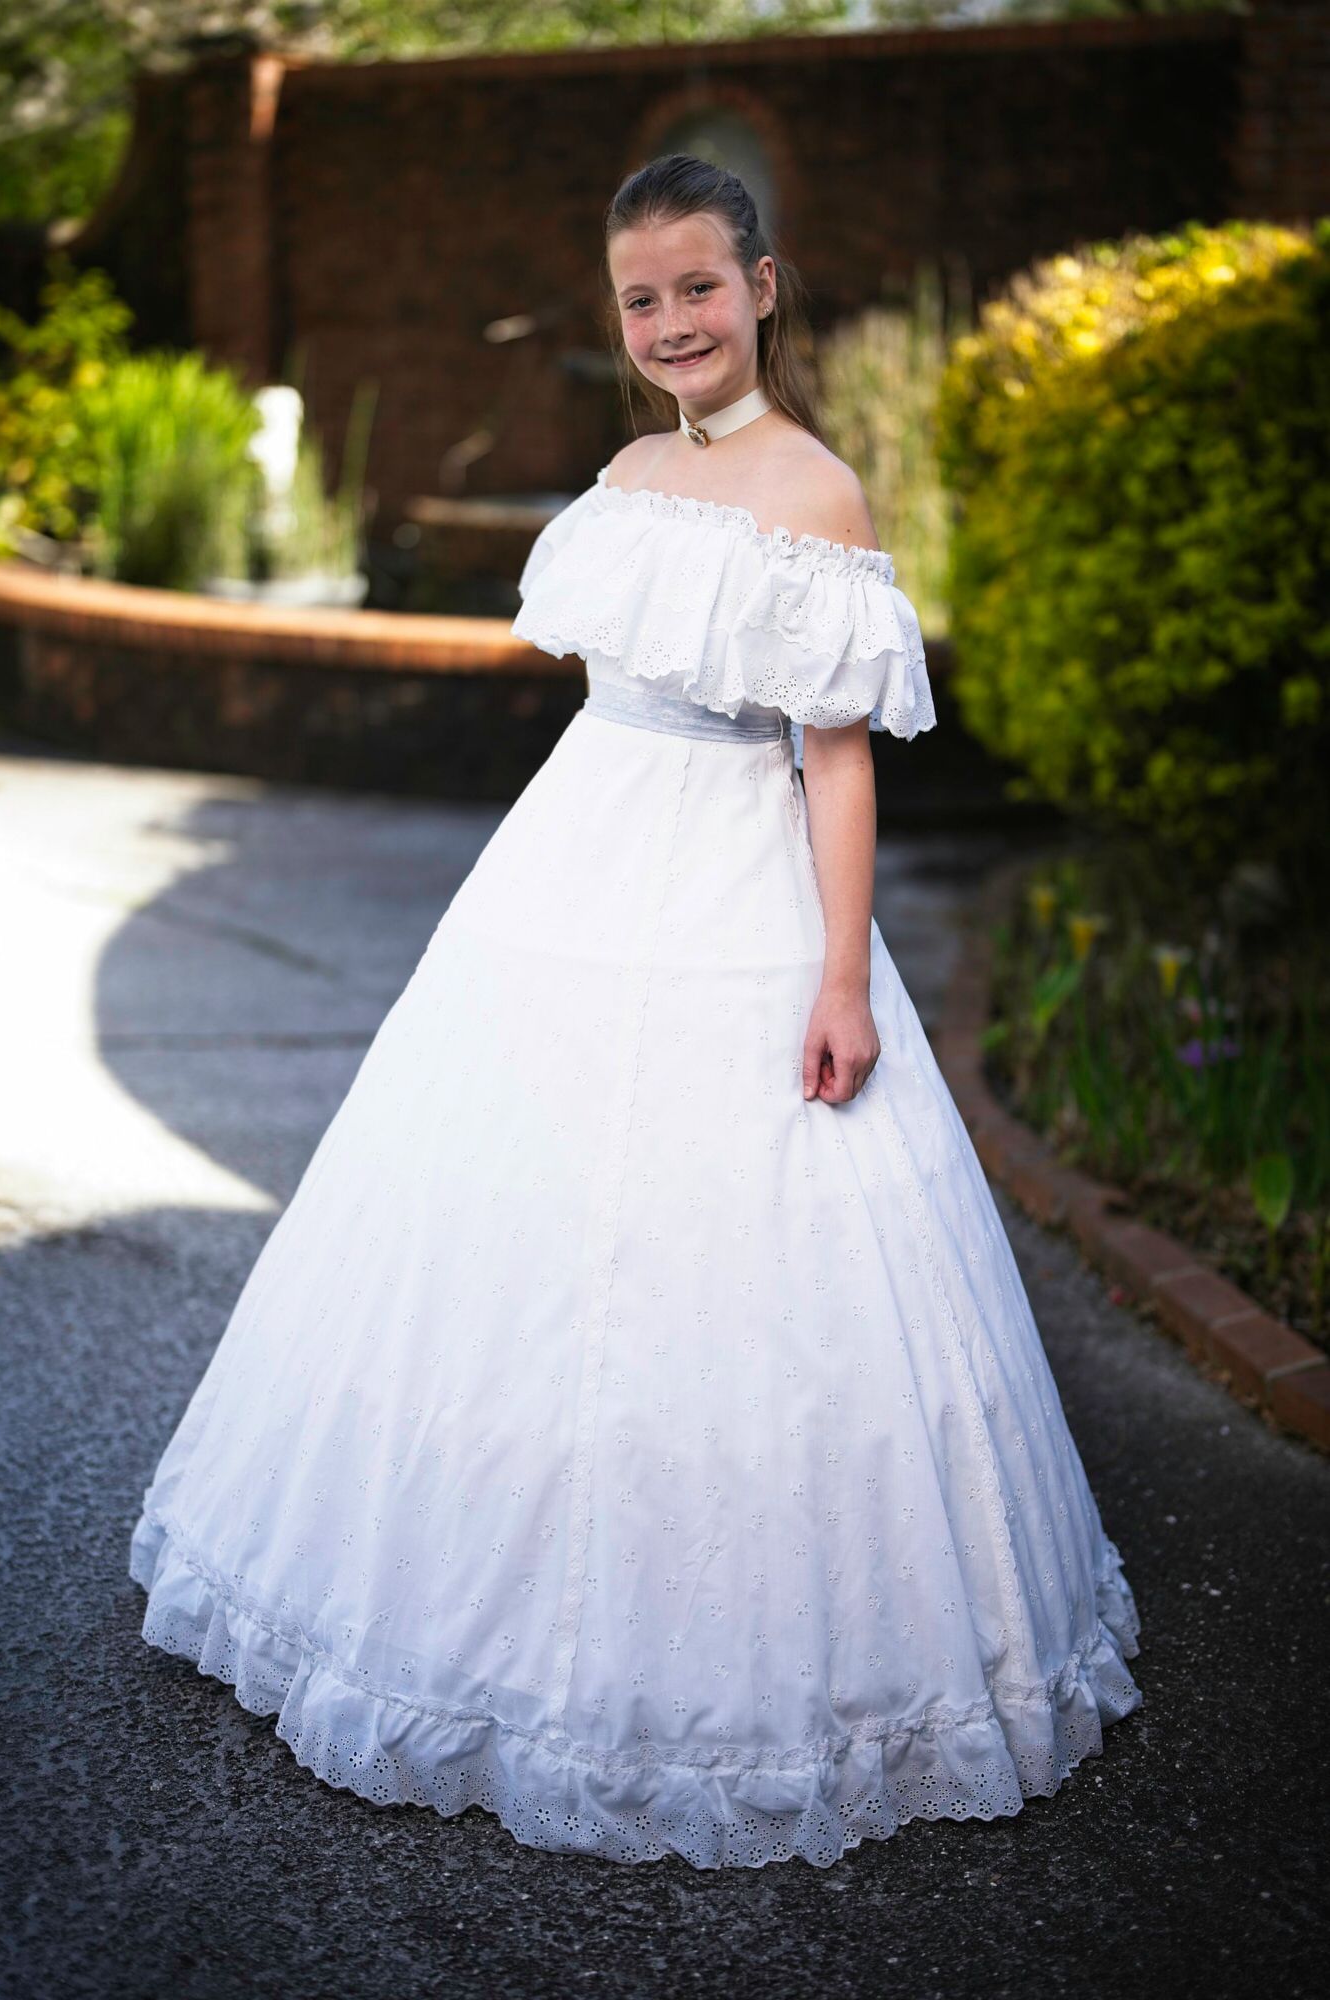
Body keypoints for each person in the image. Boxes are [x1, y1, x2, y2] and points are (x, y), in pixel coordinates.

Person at [129, 154, 1142, 1871]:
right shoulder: (614, 471)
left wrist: (838, 974)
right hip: (576, 867)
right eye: (639, 299)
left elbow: (831, 761)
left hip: (732, 888)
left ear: (764, 284)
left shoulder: (816, 493)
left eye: (697, 286)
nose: (670, 322)